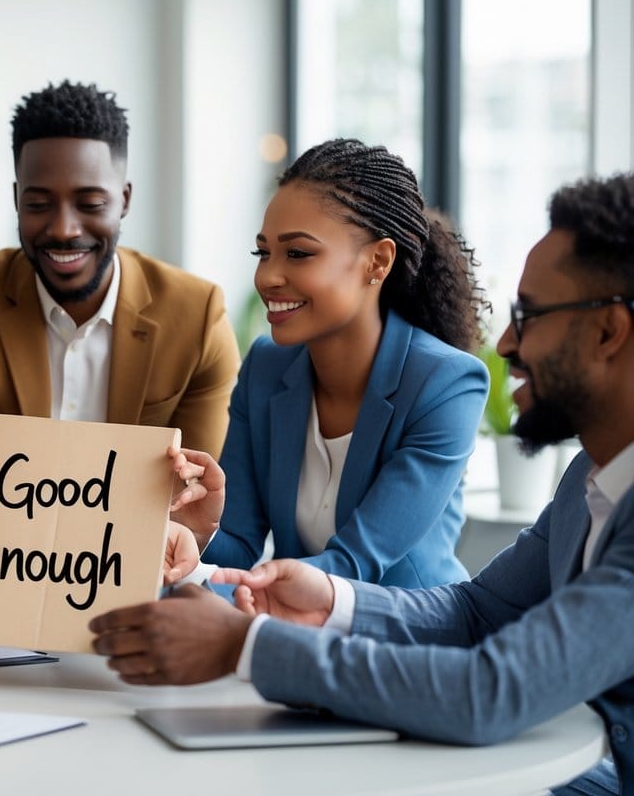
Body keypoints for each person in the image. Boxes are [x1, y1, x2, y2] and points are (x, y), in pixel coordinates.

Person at [91, 172, 634, 795]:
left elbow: (489, 689)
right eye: (263, 252)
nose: (506, 342)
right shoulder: (588, 480)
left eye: (530, 315)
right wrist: (325, 598)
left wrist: (247, 645)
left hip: (449, 713)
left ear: (608, 331)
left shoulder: (447, 382)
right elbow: (481, 609)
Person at [0, 80, 240, 513]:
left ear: (124, 200)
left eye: (91, 203)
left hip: (132, 565)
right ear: (16, 200)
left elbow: (196, 485)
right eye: (39, 204)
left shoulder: (196, 315)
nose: (63, 229)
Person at [175, 138, 488, 588]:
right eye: (263, 252)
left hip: (407, 637)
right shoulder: (265, 367)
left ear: (377, 262)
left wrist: (219, 605)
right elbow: (239, 548)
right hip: (290, 636)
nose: (267, 276)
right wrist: (198, 529)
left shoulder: (446, 383)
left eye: (298, 253)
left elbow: (353, 566)